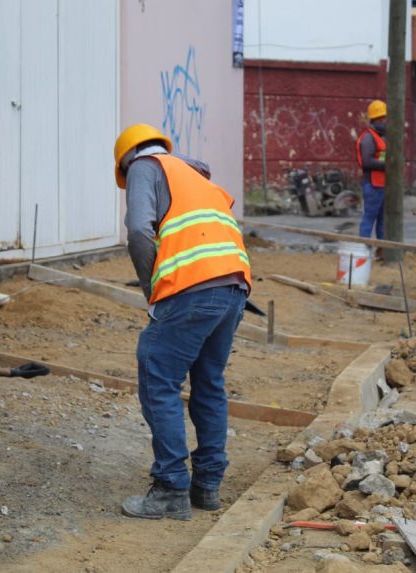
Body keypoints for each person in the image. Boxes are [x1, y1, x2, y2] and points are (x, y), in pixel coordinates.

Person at [113, 124, 251, 520]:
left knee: (158, 376)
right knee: (208, 384)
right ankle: (206, 485)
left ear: (126, 161)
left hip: (193, 288)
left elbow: (140, 231)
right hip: (234, 288)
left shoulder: (143, 165)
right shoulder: (196, 177)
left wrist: (152, 290)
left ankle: (171, 488)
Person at [356, 100, 387, 240]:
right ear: (375, 119)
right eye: (382, 118)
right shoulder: (368, 138)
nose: (385, 121)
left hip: (381, 184)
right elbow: (367, 162)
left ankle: (382, 250)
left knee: (383, 221)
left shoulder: (380, 137)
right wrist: (388, 165)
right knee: (369, 218)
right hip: (373, 185)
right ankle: (362, 252)